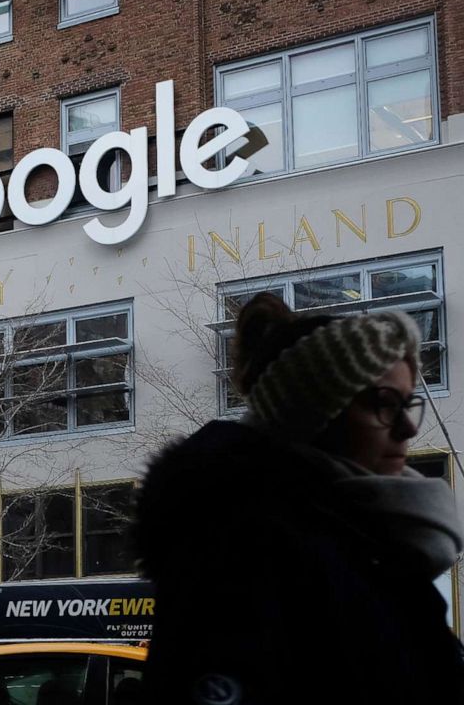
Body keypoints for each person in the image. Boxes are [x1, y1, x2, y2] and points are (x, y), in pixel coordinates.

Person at [132, 293, 464, 705]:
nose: (406, 430)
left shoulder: (365, 542)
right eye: (382, 404)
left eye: (407, 404)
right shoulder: (244, 555)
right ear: (312, 414)